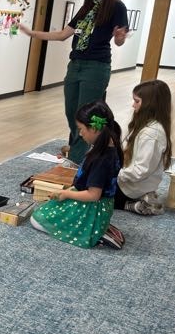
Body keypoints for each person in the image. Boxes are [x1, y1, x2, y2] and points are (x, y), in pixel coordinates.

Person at [19, 0, 128, 163]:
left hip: (96, 66)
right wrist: (32, 33)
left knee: (86, 117)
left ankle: (77, 162)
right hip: (75, 65)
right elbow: (62, 35)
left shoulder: (117, 7)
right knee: (72, 112)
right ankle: (86, 149)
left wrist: (120, 36)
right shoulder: (86, 7)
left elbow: (119, 41)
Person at [30, 100, 122, 249]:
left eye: (81, 129)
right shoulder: (109, 145)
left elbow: (93, 195)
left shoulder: (102, 157)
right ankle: (97, 228)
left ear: (94, 128)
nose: (80, 133)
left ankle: (92, 232)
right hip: (99, 205)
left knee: (37, 219)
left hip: (91, 207)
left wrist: (66, 194)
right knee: (49, 207)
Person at [116, 79, 173, 215]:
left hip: (134, 186)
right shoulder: (148, 125)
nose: (133, 105)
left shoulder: (151, 133)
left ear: (150, 105)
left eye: (137, 101)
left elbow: (141, 170)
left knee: (95, 195)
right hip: (135, 182)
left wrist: (116, 174)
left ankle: (137, 204)